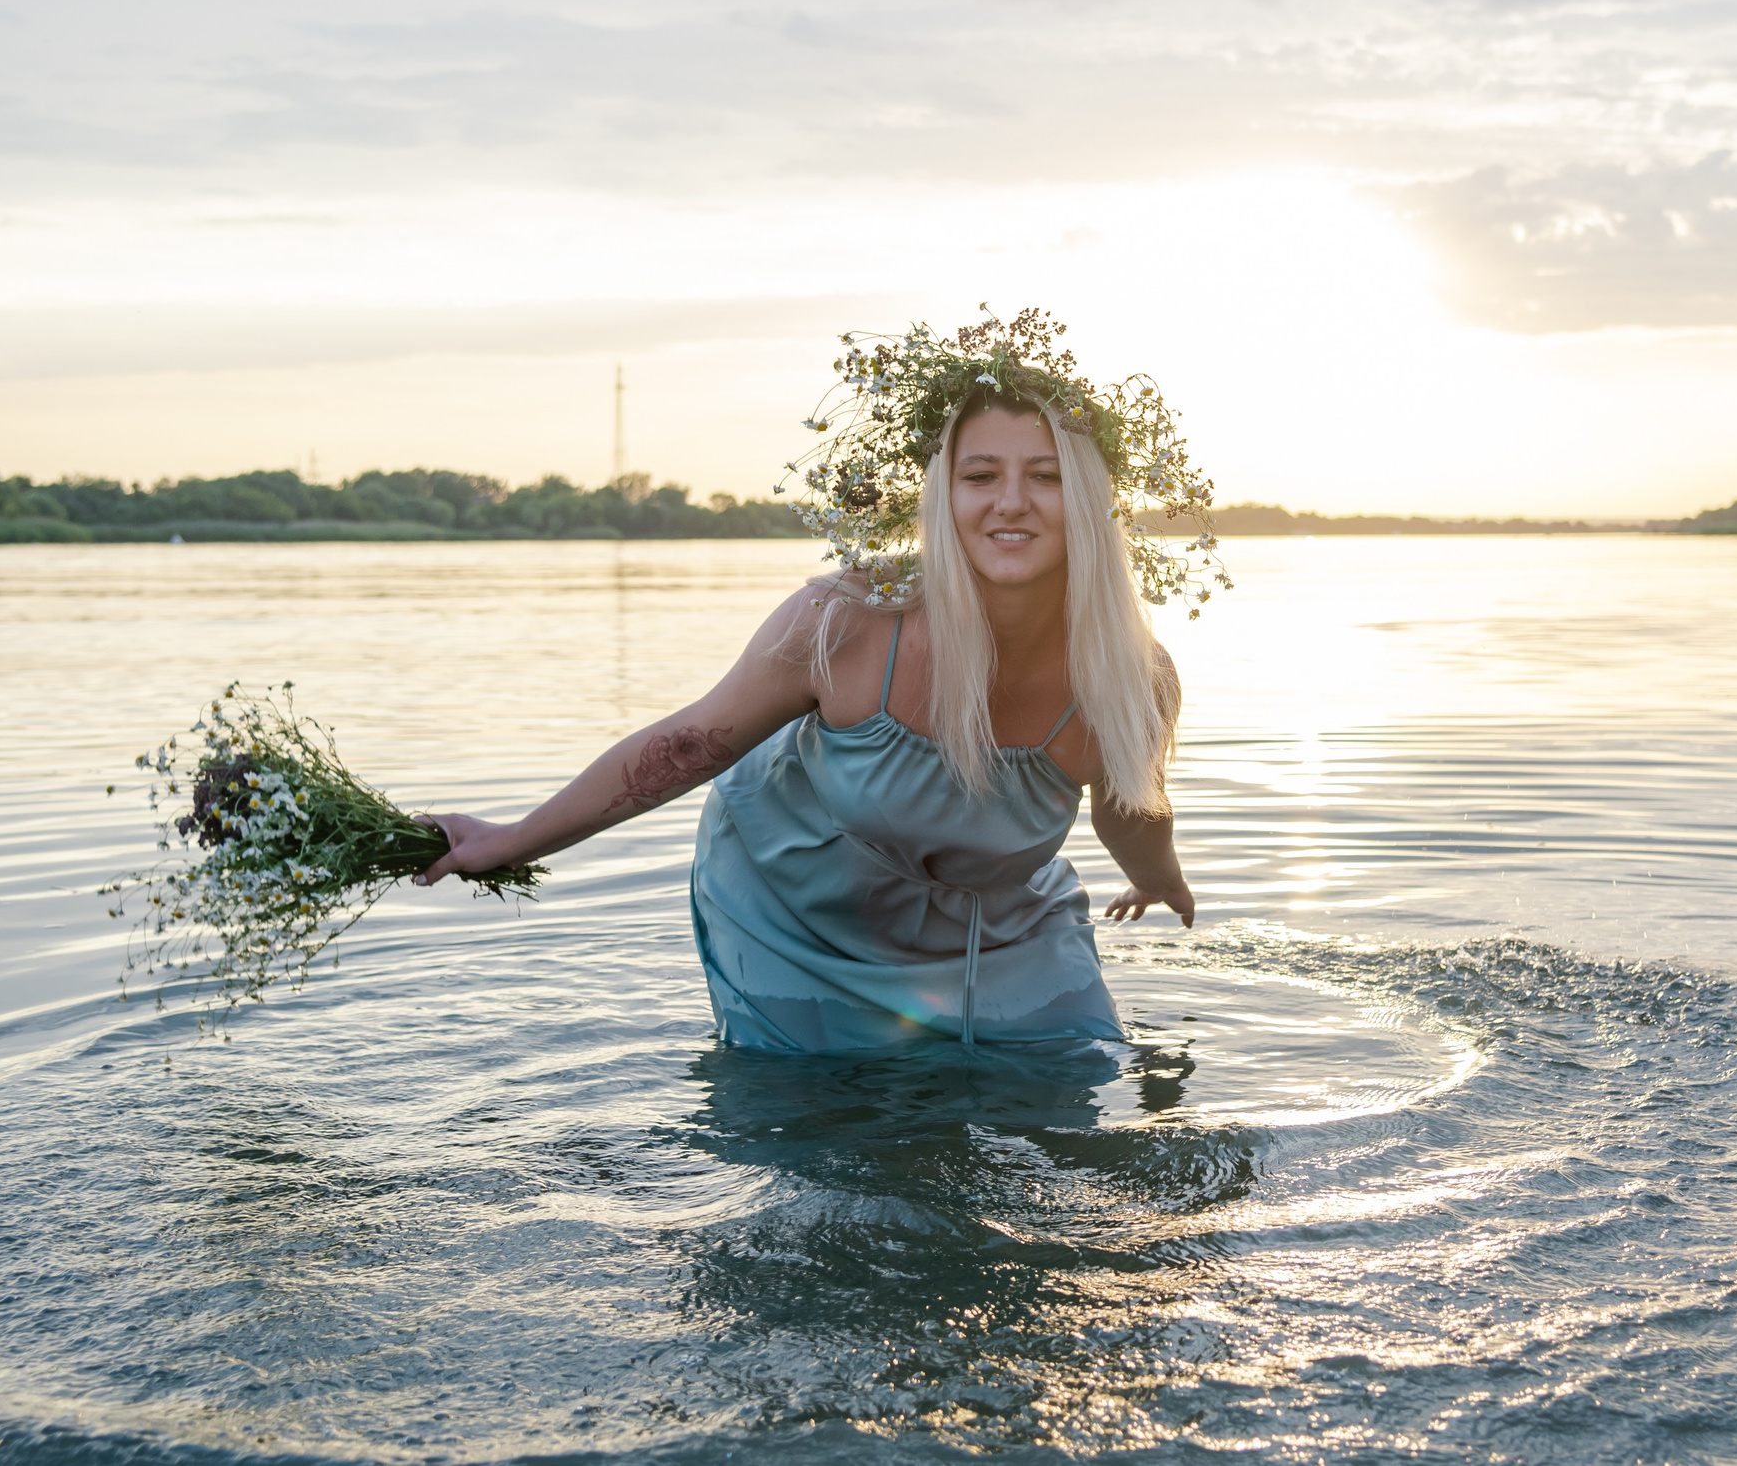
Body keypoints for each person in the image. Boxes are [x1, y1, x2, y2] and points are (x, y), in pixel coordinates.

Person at [412, 315, 1226, 1052]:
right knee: (834, 1124)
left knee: (1077, 1062)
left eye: (1045, 476)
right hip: (796, 905)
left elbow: (1132, 807)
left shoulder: (1131, 677)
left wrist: (1161, 879)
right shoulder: (846, 622)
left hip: (990, 915)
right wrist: (510, 838)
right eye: (980, 475)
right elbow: (686, 746)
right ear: (942, 494)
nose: (1010, 502)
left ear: (1089, 500)